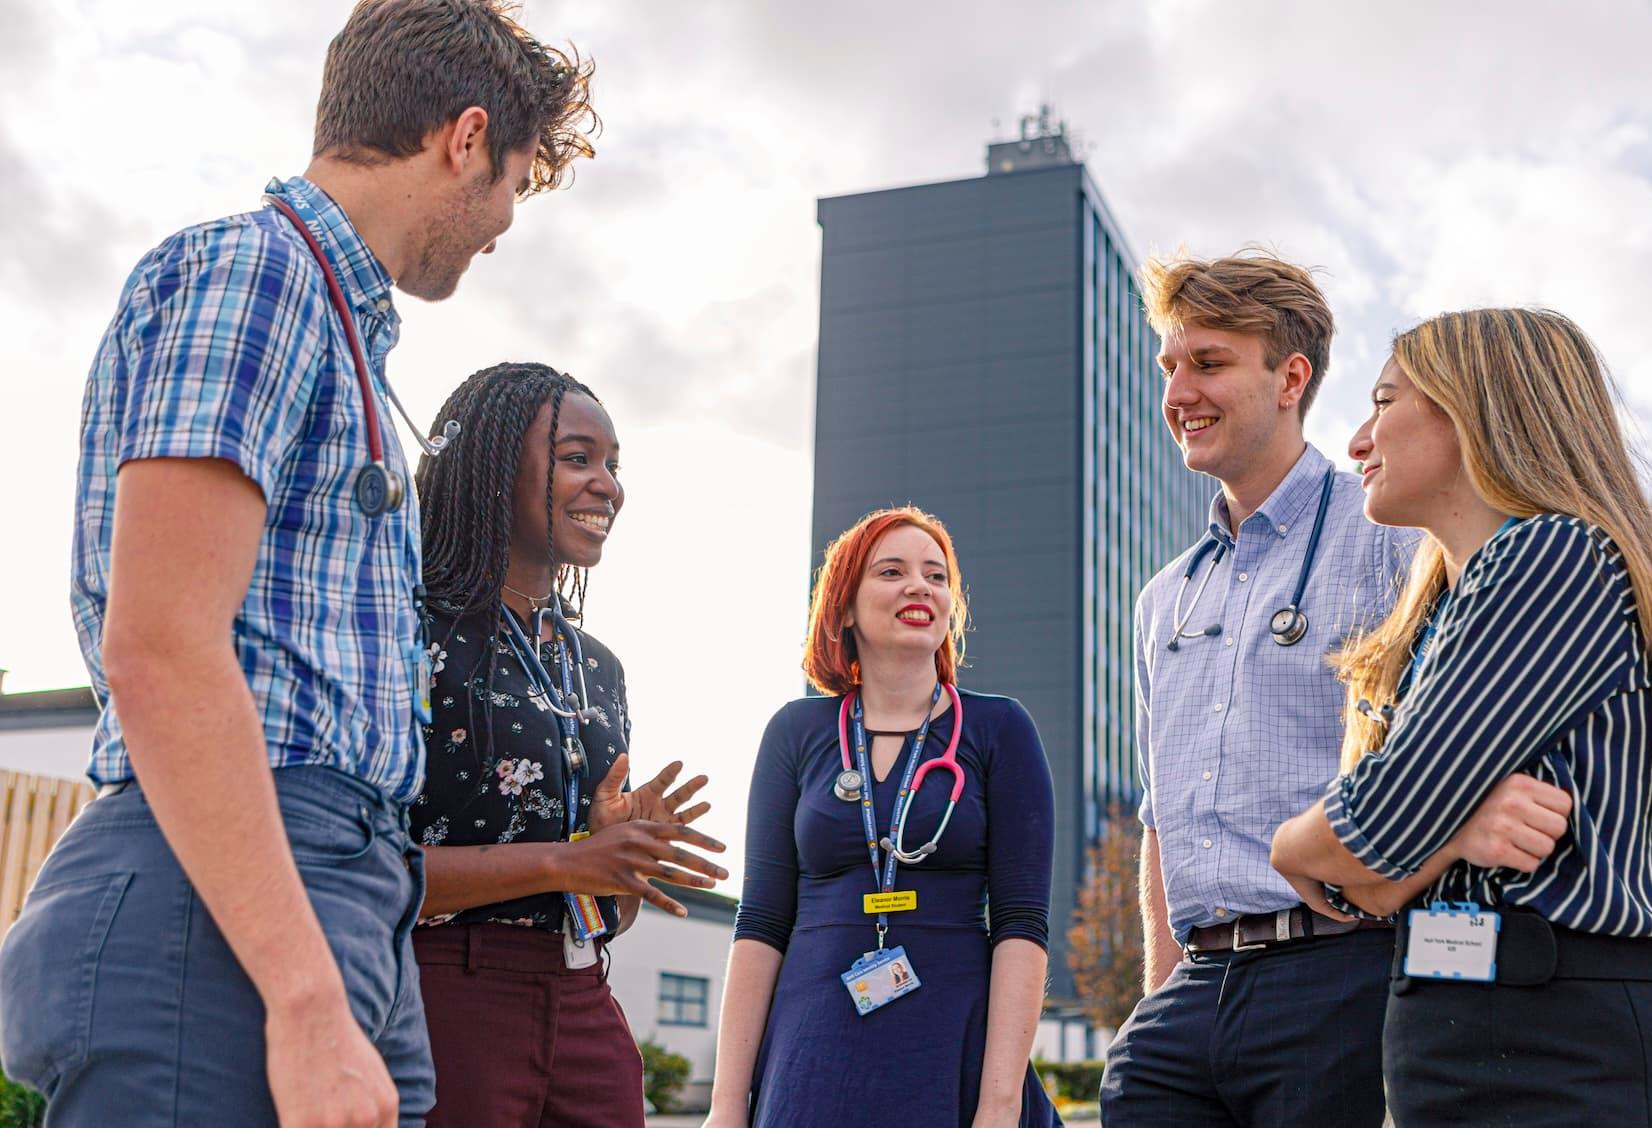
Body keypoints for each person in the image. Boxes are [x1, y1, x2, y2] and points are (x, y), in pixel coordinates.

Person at [0, 4, 595, 1125]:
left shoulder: (342, 337)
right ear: (465, 138)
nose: (503, 223)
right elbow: (163, 649)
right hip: (227, 907)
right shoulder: (256, 276)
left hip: (342, 891)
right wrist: (308, 1000)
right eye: (513, 183)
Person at [1267, 308, 1652, 1125]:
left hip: (1564, 1043)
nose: (1358, 441)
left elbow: (1367, 825)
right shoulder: (1436, 612)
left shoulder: (1552, 556)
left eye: (1383, 401)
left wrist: (1291, 843)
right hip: (1446, 1026)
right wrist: (1452, 832)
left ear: (1474, 408)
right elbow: (1372, 884)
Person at [1096, 251, 1422, 1126]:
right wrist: (1157, 1003)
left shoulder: (1388, 537)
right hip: (1191, 994)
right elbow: (1161, 817)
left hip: (1340, 978)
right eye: (1170, 366)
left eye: (1208, 363)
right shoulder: (1161, 599)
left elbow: (1439, 759)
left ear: (1290, 377)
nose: (1178, 392)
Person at [405, 363, 728, 1126]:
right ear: (488, 467)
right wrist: (564, 859)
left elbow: (599, 910)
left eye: (614, 466)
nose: (608, 486)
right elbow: (353, 870)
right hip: (439, 995)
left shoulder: (596, 667)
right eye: (578, 458)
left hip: (584, 997)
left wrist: (616, 862)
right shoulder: (404, 632)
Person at [706, 507, 1060, 1128]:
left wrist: (999, 1105)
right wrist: (726, 1105)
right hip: (810, 1053)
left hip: (953, 1046)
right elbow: (760, 922)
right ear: (843, 607)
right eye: (891, 571)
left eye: (936, 575)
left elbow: (1021, 923)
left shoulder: (1000, 729)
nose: (919, 587)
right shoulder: (795, 732)